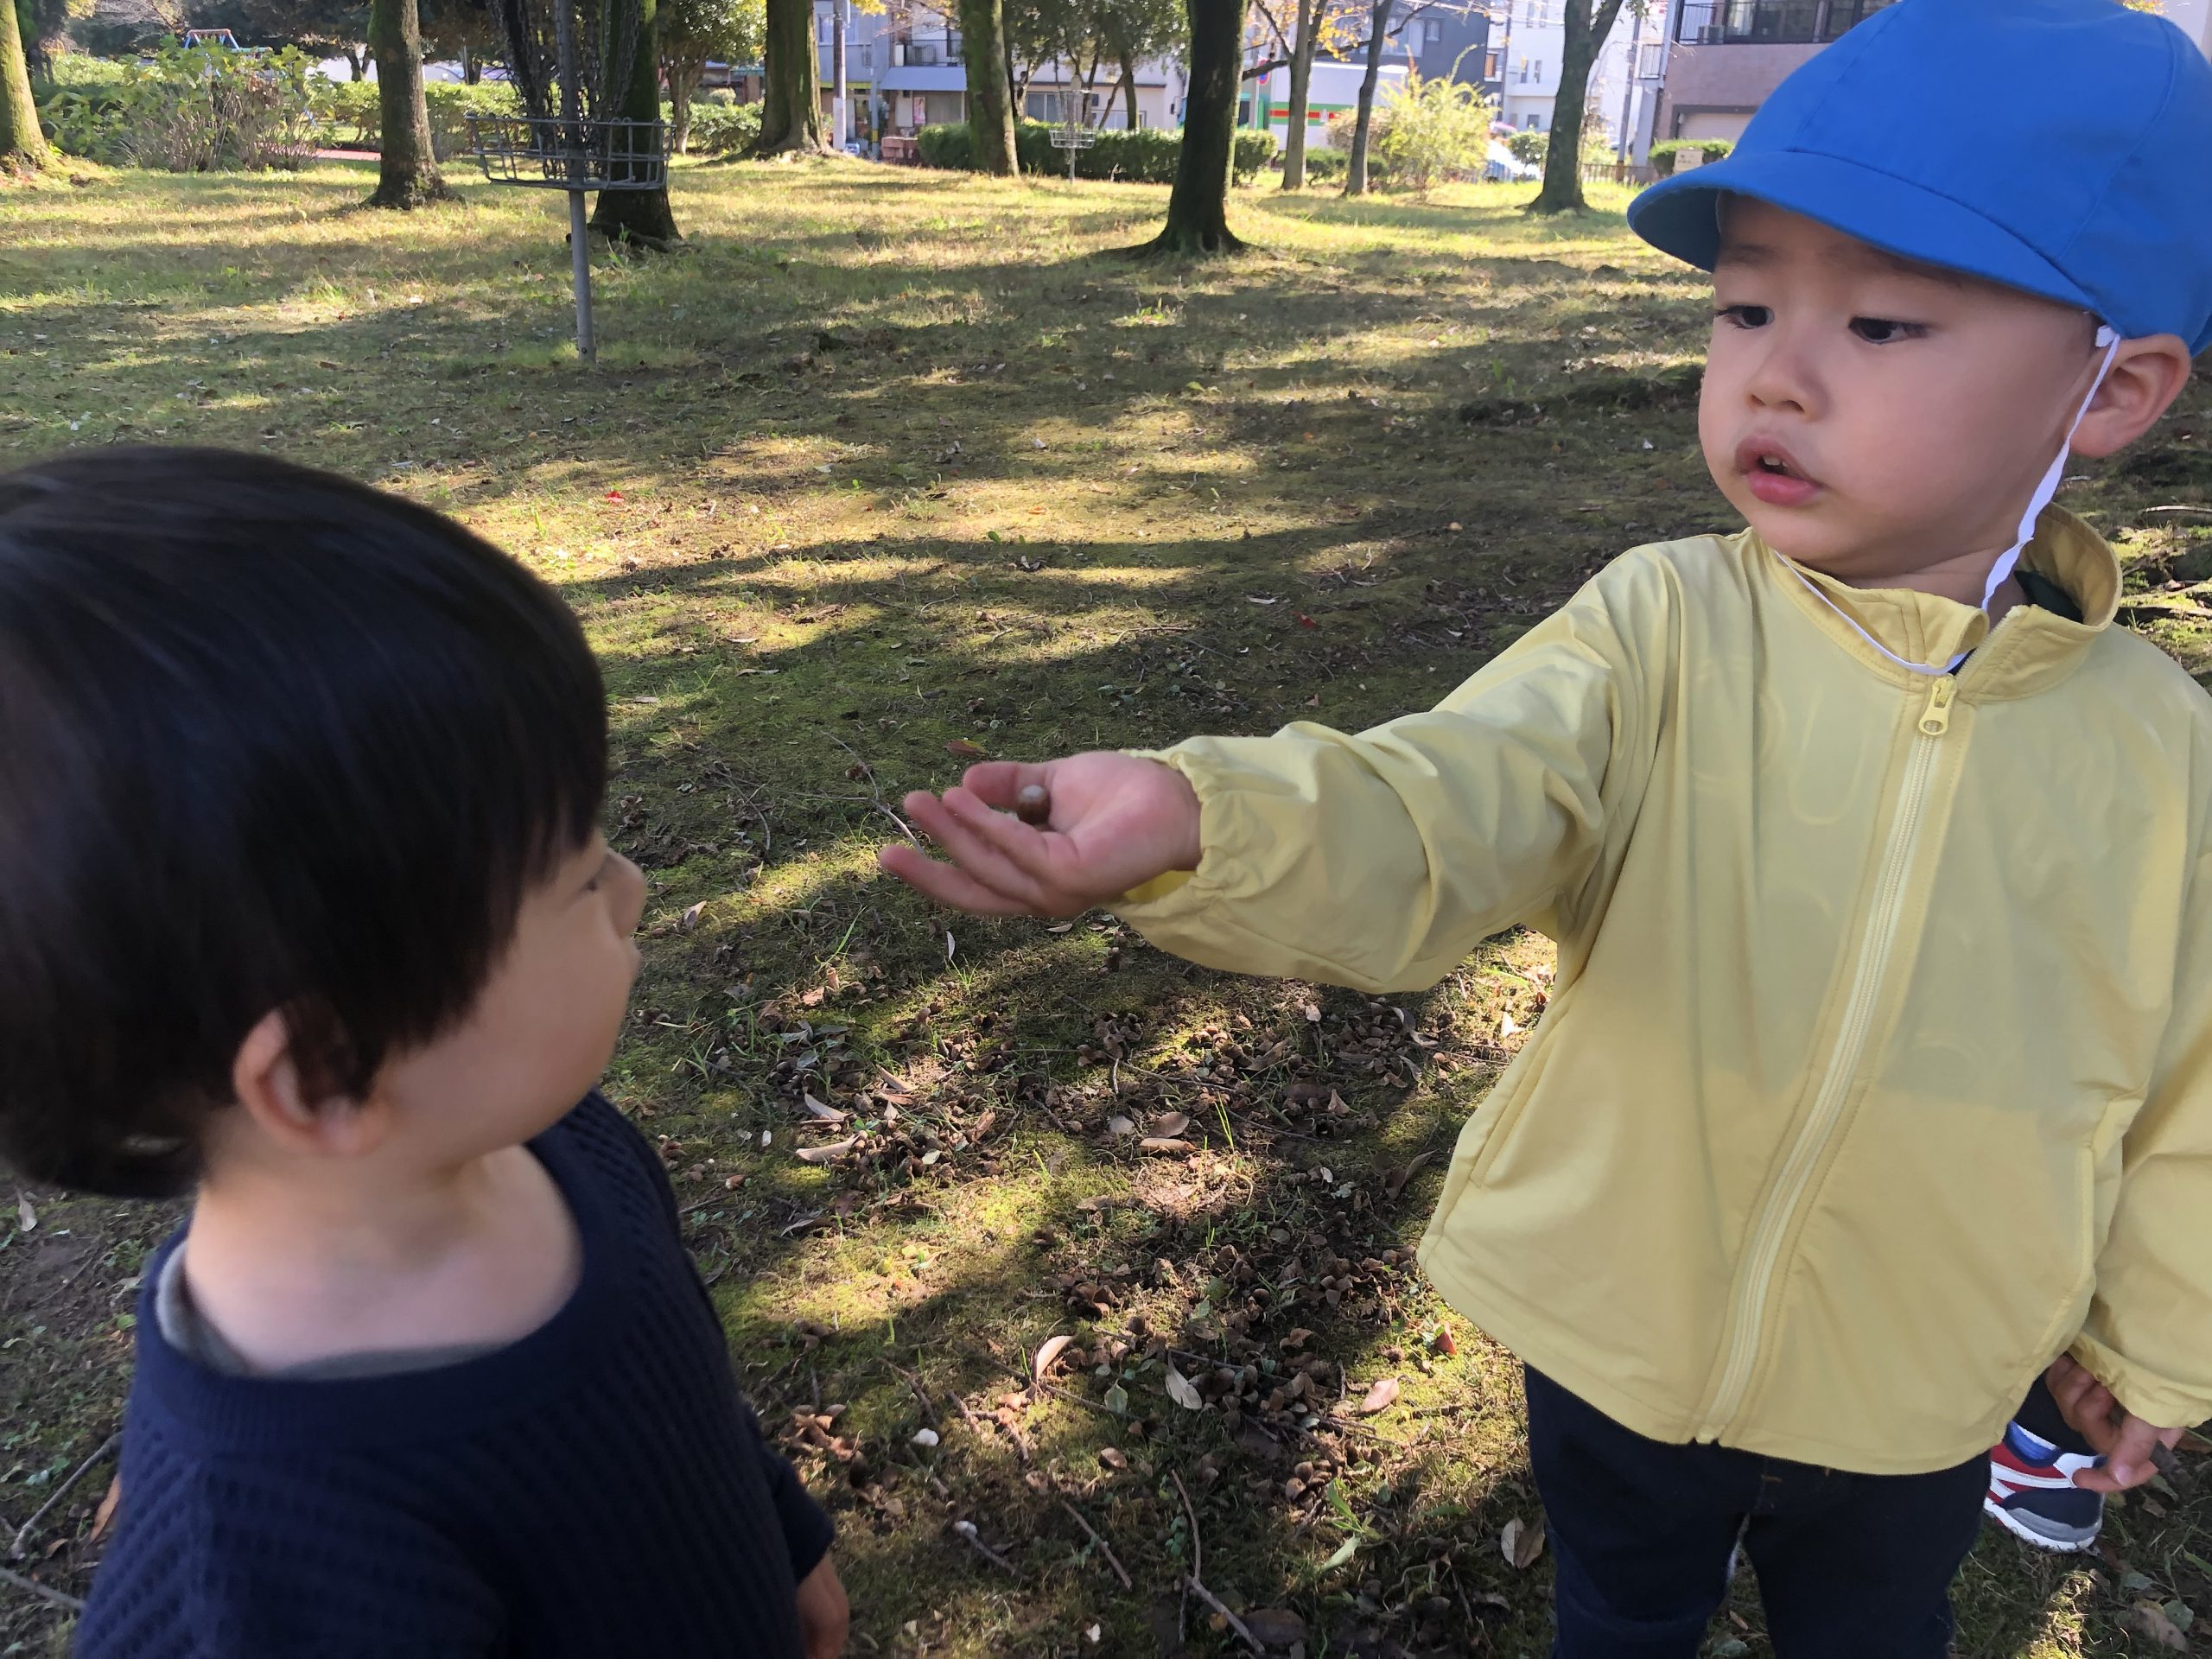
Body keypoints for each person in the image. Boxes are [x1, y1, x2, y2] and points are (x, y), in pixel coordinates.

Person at [880, 2, 2212, 1651]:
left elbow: (2189, 1077)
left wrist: (2154, 1335)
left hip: (1923, 1378)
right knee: (1620, 1617)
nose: (1773, 373)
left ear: (2114, 386)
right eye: (1742, 307)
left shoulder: (2159, 750)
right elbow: (1446, 800)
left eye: (1879, 324)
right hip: (1618, 1333)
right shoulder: (1662, 629)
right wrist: (1201, 818)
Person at [0, 448, 849, 1658]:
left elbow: (673, 1388)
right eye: (579, 881)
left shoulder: (554, 1144)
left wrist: (781, 1536)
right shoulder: (270, 1559)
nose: (634, 891)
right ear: (326, 1073)